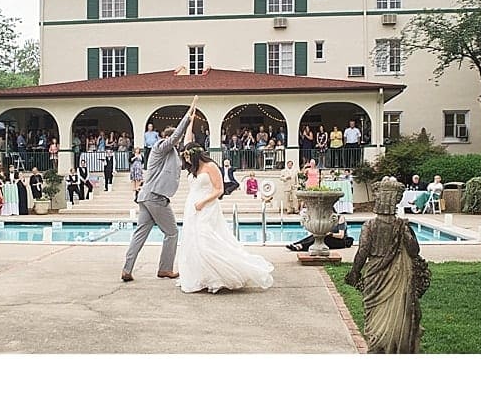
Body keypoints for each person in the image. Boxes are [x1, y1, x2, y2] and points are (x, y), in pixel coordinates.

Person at [173, 146, 276, 293]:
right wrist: (189, 123)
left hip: (207, 207)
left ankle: (219, 275)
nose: (187, 161)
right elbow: (187, 141)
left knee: (206, 239)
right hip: (192, 207)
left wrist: (203, 201)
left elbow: (219, 189)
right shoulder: (194, 169)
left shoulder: (211, 166)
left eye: (188, 157)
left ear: (195, 155)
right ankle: (201, 275)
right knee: (192, 240)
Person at [122, 95, 199, 283]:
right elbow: (174, 138)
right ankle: (165, 269)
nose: (178, 142)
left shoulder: (172, 153)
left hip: (147, 197)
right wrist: (188, 115)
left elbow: (183, 151)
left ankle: (127, 270)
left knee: (140, 233)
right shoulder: (161, 147)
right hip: (155, 197)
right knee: (172, 232)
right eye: (176, 139)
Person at [285, 220, 355, 252]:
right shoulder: (329, 220)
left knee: (323, 238)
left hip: (341, 242)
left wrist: (330, 234)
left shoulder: (341, 219)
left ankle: (301, 246)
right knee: (316, 235)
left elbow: (341, 235)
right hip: (331, 239)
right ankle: (297, 244)